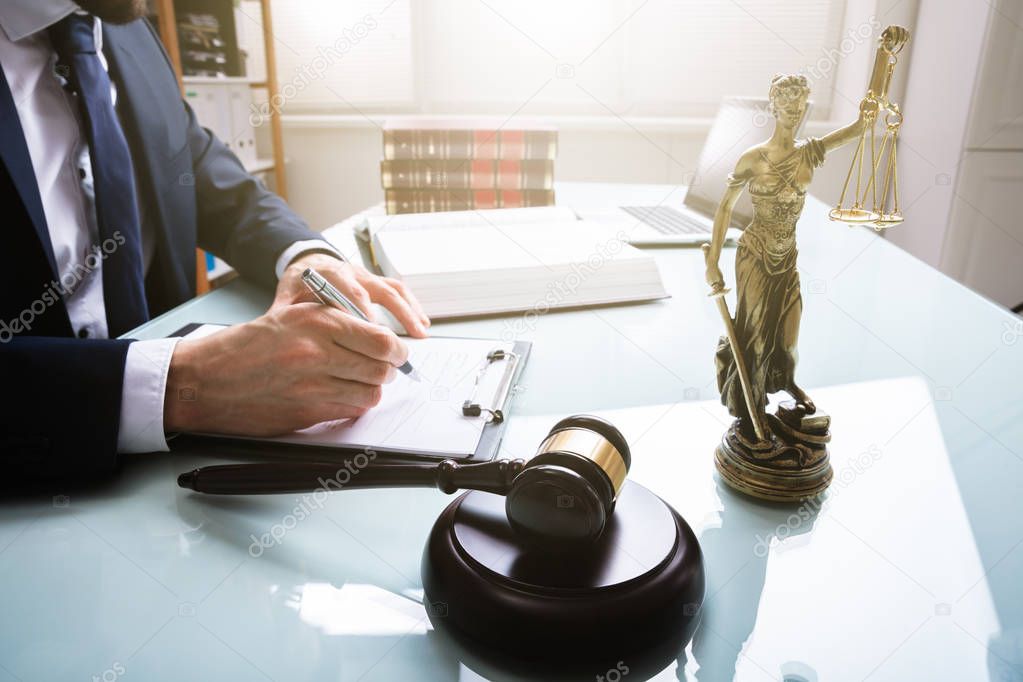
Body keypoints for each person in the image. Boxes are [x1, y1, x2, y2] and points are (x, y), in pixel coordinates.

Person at [0, 0, 430, 478]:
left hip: (172, 468)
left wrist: (304, 253)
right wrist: (182, 385)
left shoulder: (124, 24)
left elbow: (194, 164)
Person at [702, 73, 874, 436]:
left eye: (799, 107)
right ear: (774, 107)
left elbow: (860, 127)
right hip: (755, 255)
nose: (794, 113)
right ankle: (752, 405)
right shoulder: (754, 158)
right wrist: (713, 262)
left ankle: (788, 383)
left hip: (787, 257)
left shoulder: (810, 151)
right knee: (758, 337)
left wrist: (882, 68)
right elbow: (725, 209)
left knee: (789, 335)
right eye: (787, 106)